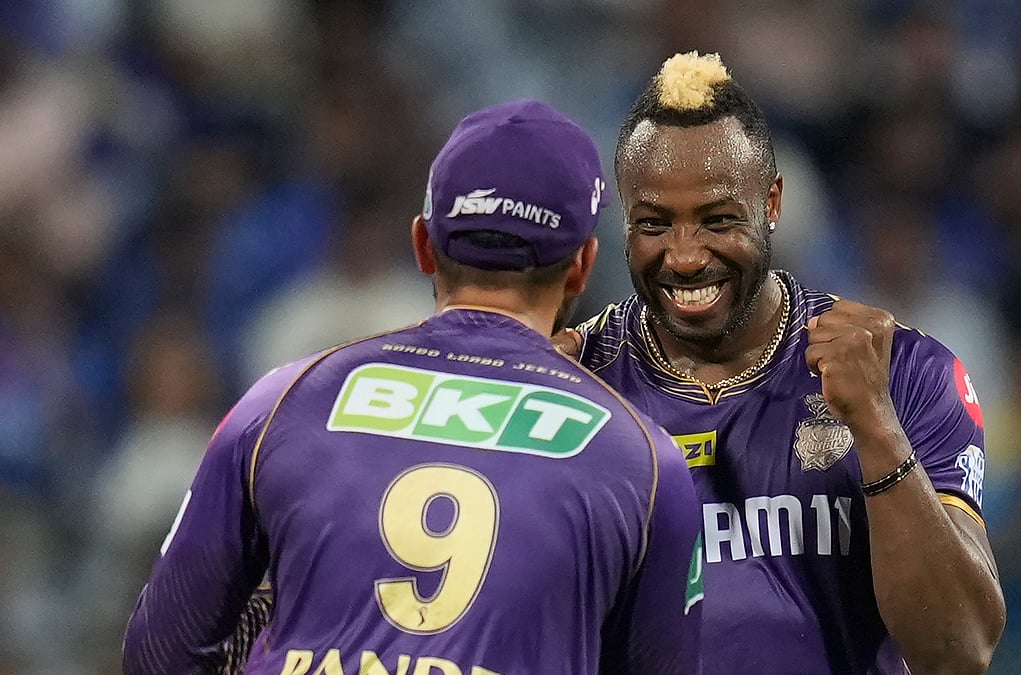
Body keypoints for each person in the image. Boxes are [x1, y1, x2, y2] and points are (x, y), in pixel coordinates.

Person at [122, 99, 705, 675]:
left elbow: (156, 656)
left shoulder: (277, 403)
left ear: (423, 244)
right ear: (583, 264)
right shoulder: (648, 464)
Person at [560, 52, 1006, 674]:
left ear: (771, 204)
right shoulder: (574, 386)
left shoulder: (904, 371)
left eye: (717, 220)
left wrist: (876, 426)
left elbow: (960, 649)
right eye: (654, 225)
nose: (684, 257)